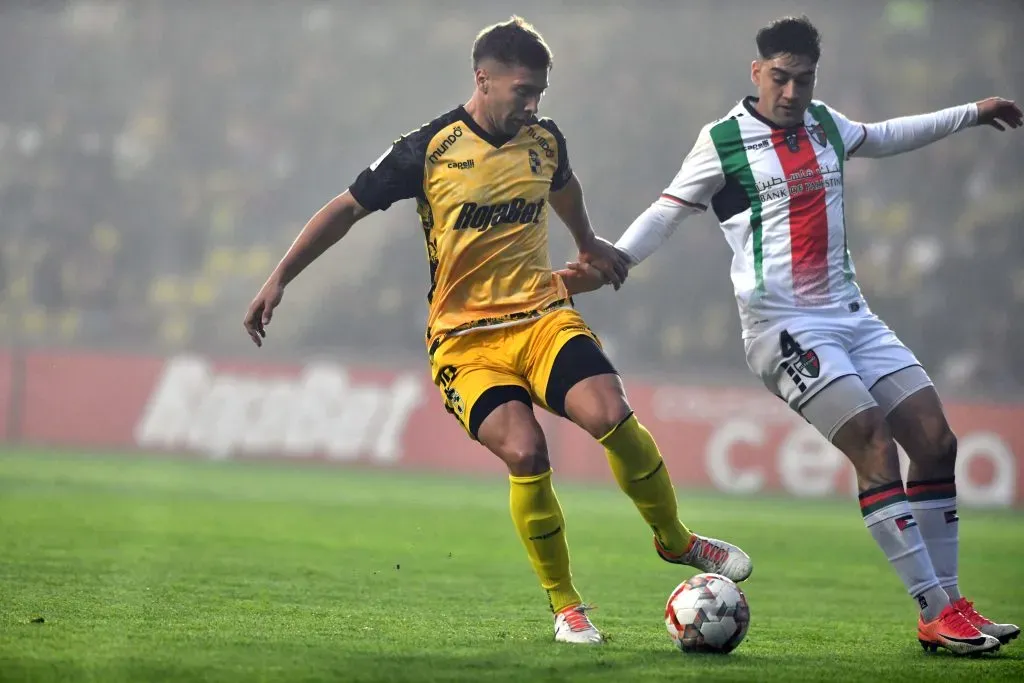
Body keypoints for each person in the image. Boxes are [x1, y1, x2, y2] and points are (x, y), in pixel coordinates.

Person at [243, 16, 752, 646]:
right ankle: (567, 607)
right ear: (482, 79)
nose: (533, 104)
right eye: (522, 91)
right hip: (465, 342)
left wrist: (587, 243)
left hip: (540, 317)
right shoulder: (427, 148)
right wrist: (280, 278)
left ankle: (675, 541)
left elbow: (563, 188)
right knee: (525, 452)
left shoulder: (545, 141)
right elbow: (346, 207)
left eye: (540, 92)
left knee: (611, 416)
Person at [561, 15, 1021, 656]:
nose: (792, 92)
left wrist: (973, 112)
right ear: (757, 72)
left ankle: (950, 611)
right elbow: (668, 211)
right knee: (873, 441)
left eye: (804, 80)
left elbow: (887, 135)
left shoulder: (825, 123)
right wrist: (615, 261)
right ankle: (936, 609)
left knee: (938, 442)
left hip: (853, 316)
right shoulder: (723, 140)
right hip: (782, 328)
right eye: (781, 78)